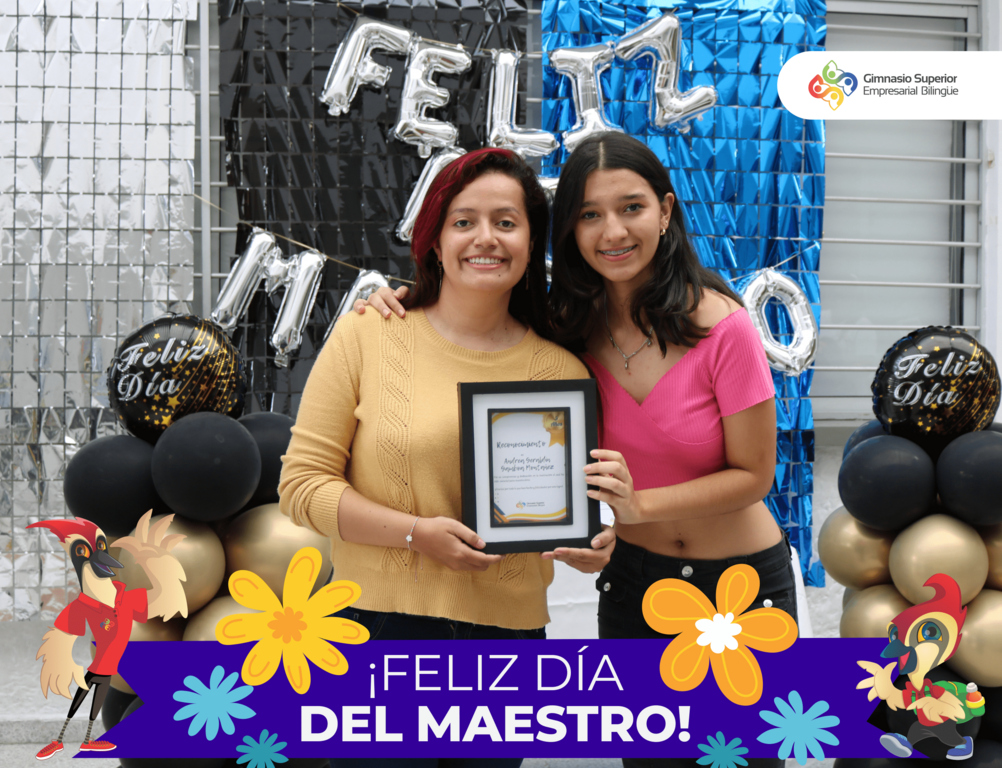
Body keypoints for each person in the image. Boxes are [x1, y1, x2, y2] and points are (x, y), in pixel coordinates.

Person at [359, 132, 797, 768]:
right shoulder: (566, 331)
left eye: (631, 208)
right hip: (636, 584)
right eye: (590, 214)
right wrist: (408, 297)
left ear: (666, 212)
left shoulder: (723, 326)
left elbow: (755, 475)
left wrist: (639, 507)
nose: (612, 231)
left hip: (739, 585)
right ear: (569, 230)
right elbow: (476, 317)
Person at [279, 147, 614, 768]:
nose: (486, 238)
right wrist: (415, 534)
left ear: (531, 243)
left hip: (508, 645)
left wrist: (596, 543)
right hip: (377, 627)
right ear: (435, 238)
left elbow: (573, 507)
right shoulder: (368, 334)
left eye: (506, 222)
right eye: (464, 221)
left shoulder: (562, 373)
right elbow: (301, 486)